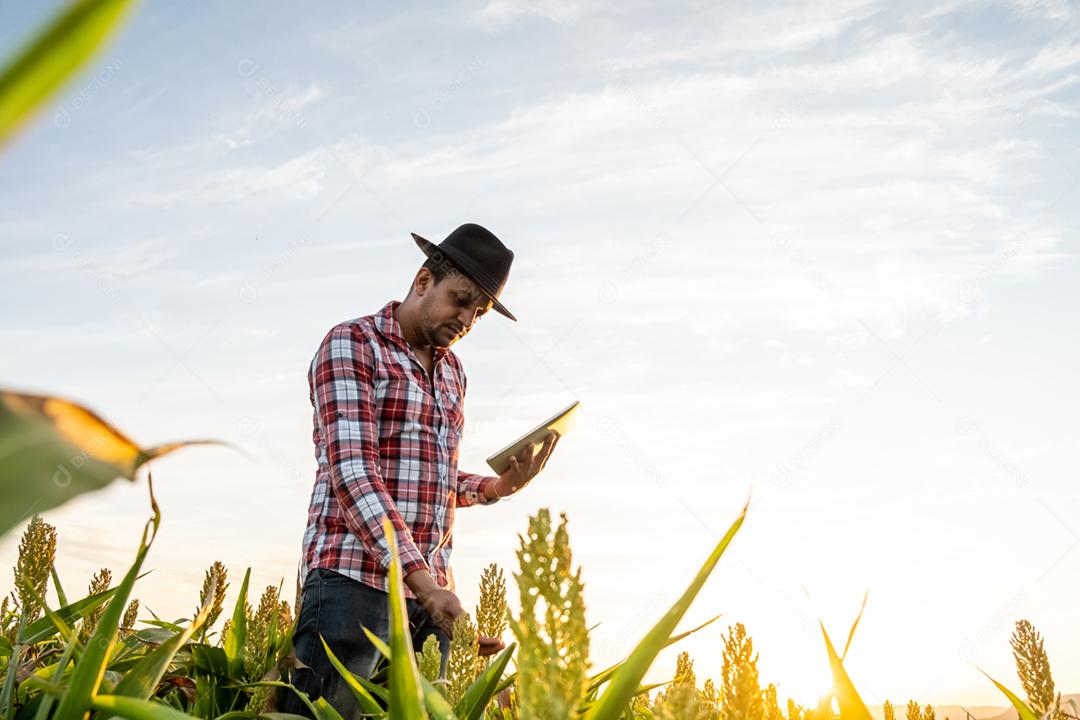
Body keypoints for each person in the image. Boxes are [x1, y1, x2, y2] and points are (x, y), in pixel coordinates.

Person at [279, 223, 560, 718]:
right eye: (461, 300)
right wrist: (426, 586)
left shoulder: (453, 372)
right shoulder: (352, 344)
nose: (468, 319)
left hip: (427, 595)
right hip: (352, 582)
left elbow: (430, 476)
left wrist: (496, 486)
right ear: (424, 280)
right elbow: (355, 473)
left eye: (480, 311)